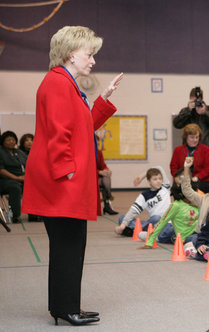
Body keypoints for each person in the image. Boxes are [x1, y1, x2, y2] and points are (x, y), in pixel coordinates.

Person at [21, 26, 123, 326]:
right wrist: (67, 174)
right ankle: (65, 308)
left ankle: (66, 306)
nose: (93, 61)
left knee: (73, 245)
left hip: (68, 181)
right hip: (63, 183)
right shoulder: (57, 84)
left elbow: (82, 127)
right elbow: (58, 134)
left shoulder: (67, 84)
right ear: (70, 53)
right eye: (89, 54)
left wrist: (103, 99)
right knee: (68, 246)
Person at [139, 169, 200, 248]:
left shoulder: (198, 202)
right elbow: (162, 221)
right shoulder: (176, 205)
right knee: (164, 226)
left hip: (197, 234)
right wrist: (150, 242)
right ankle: (155, 236)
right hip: (186, 238)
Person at [173, 87, 209, 174]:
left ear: (202, 99)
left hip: (206, 151)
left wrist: (205, 113)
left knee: (206, 179)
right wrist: (188, 111)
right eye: (193, 100)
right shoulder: (187, 111)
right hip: (188, 152)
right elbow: (176, 124)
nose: (196, 103)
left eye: (197, 100)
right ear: (190, 99)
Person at [114, 167, 170, 236]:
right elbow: (133, 211)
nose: (158, 181)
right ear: (149, 181)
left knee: (157, 218)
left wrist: (141, 176)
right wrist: (122, 226)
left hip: (166, 222)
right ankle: (146, 231)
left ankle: (135, 231)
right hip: (151, 223)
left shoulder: (165, 188)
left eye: (160, 179)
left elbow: (159, 167)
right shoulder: (144, 195)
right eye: (155, 179)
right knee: (122, 218)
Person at [170, 123, 209, 193]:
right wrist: (180, 178)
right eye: (192, 137)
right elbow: (173, 167)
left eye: (197, 137)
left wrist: (197, 177)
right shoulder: (178, 150)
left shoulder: (206, 149)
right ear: (186, 137)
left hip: (201, 182)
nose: (195, 140)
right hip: (181, 181)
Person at [0, 131, 27, 224]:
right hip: (5, 180)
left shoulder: (20, 153)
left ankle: (35, 215)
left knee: (35, 186)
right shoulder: (1, 152)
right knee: (15, 187)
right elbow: (1, 170)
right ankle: (15, 216)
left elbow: (28, 166)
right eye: (8, 140)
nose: (11, 141)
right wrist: (17, 178)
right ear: (3, 141)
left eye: (13, 139)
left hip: (21, 178)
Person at [96, 148, 117, 215]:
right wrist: (99, 172)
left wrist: (107, 171)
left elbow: (103, 165)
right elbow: (88, 168)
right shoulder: (87, 152)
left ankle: (107, 205)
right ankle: (108, 200)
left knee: (106, 178)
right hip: (90, 177)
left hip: (98, 176)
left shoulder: (99, 152)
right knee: (104, 181)